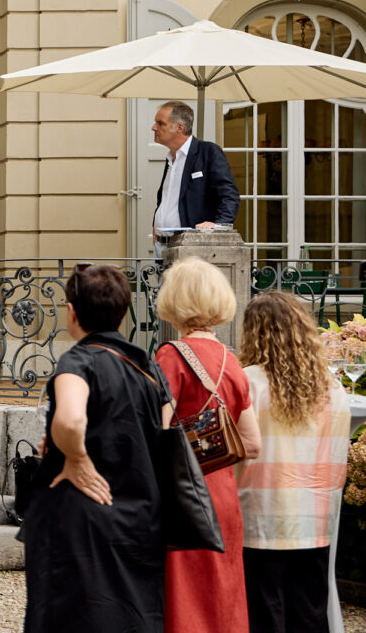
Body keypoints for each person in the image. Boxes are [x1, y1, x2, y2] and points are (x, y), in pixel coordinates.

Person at [21, 264, 173, 633]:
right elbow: (165, 433)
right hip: (140, 516)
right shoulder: (148, 366)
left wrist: (77, 458)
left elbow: (72, 420)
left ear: (72, 313)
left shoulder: (78, 360)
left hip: (81, 519)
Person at [155, 257, 262, 633]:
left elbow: (158, 430)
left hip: (184, 494)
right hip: (223, 494)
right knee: (223, 596)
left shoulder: (170, 356)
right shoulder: (232, 363)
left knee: (186, 598)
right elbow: (251, 444)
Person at [235, 290, 350, 633]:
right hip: (314, 517)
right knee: (310, 612)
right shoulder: (332, 388)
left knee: (265, 610)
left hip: (261, 514)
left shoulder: (248, 382)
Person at [151, 101, 239, 258]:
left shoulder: (208, 152)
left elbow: (229, 195)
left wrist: (217, 224)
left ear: (179, 127)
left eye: (160, 123)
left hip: (191, 247)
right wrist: (156, 224)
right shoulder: (171, 157)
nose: (154, 127)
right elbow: (167, 199)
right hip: (161, 246)